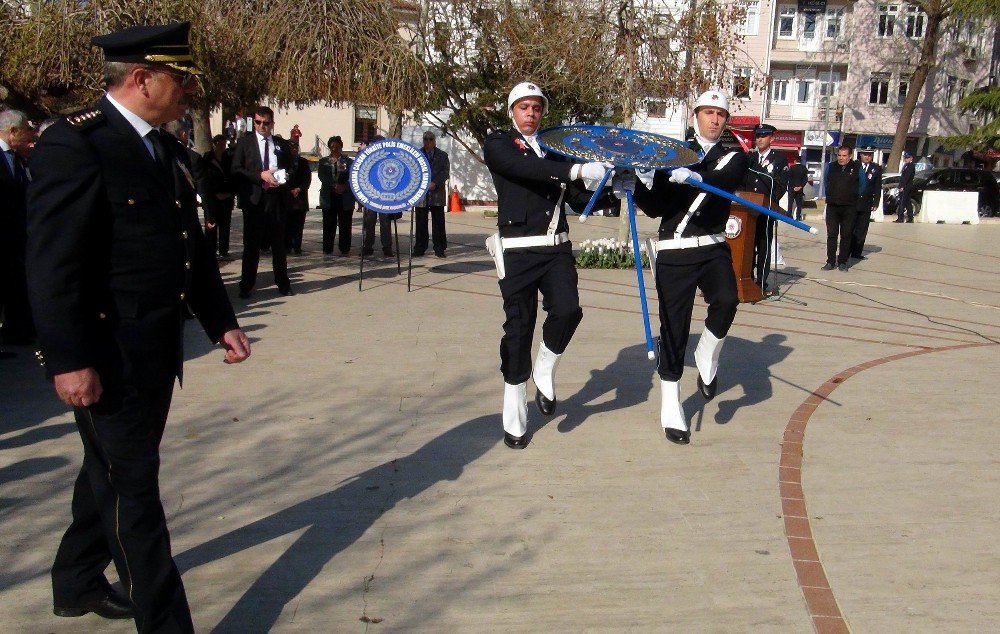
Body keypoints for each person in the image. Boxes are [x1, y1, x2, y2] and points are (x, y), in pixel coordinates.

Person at [24, 22, 251, 632]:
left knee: (112, 467)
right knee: (134, 493)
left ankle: (75, 582)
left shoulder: (164, 147)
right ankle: (166, 622)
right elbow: (52, 264)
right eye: (181, 80)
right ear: (142, 78)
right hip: (106, 352)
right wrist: (68, 359)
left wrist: (219, 320)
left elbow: (188, 248)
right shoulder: (76, 145)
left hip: (155, 349)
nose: (189, 93)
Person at [483, 81, 609, 449]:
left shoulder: (556, 152)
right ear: (512, 111)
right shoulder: (500, 144)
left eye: (537, 107)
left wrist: (613, 185)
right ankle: (514, 415)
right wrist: (575, 170)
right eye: (524, 107)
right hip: (519, 250)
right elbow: (524, 170)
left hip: (555, 247)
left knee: (568, 311)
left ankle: (545, 365)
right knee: (519, 329)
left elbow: (578, 196)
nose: (531, 113)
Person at [623, 89, 747, 445]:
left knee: (727, 301)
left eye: (720, 114)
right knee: (674, 328)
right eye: (708, 113)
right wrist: (637, 185)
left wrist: (696, 177)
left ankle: (707, 351)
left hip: (712, 247)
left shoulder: (732, 156)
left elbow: (727, 182)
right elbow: (658, 206)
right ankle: (671, 405)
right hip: (675, 251)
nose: (714, 119)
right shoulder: (672, 153)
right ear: (695, 116)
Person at [230, 105, 296, 297]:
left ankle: (283, 283)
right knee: (252, 245)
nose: (262, 127)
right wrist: (260, 176)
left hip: (276, 198)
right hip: (255, 199)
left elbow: (291, 167)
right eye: (258, 122)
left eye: (266, 123)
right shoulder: (245, 143)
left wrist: (282, 179)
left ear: (272, 124)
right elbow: (236, 169)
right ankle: (247, 285)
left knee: (279, 244)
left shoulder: (280, 144)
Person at [0, 108, 38, 347]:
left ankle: (16, 332)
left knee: (13, 284)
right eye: (26, 130)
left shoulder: (18, 159)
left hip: (15, 239)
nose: (31, 136)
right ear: (12, 131)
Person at [744, 123, 789, 295]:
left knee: (763, 245)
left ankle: (761, 281)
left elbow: (782, 184)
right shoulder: (750, 158)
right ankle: (746, 277)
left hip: (766, 210)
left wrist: (769, 201)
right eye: (757, 136)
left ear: (771, 138)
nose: (759, 139)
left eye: (763, 136)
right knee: (748, 245)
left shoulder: (779, 159)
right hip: (748, 209)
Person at [413, 130, 451, 257]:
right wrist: (423, 185)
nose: (427, 142)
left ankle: (439, 248)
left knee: (438, 222)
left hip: (437, 193)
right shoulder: (417, 154)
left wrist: (435, 183)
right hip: (422, 194)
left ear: (434, 141)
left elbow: (445, 172)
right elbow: (413, 172)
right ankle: (420, 247)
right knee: (421, 222)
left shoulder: (442, 155)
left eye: (430, 139)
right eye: (425, 139)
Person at [197, 134, 235, 258]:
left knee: (225, 225)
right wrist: (214, 194)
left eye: (224, 144)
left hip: (227, 197)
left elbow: (233, 177)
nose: (222, 147)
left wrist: (230, 193)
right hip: (213, 198)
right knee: (211, 225)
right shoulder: (207, 159)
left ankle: (224, 250)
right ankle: (210, 250)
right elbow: (205, 180)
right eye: (220, 144)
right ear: (214, 144)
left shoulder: (228, 158)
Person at [823, 145, 859, 271]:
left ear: (850, 156)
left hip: (849, 207)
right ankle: (830, 261)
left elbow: (863, 185)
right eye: (839, 155)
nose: (841, 158)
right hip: (833, 206)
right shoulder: (831, 167)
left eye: (844, 156)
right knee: (832, 234)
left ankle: (843, 261)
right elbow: (826, 181)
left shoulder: (856, 168)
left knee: (846, 234)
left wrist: (853, 196)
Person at [360, 135, 397, 257]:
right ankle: (367, 246)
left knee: (385, 222)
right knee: (369, 222)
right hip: (370, 194)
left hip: (385, 195)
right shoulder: (367, 157)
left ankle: (387, 247)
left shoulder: (389, 156)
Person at [317, 136, 354, 255]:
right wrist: (334, 185)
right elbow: (322, 176)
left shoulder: (348, 162)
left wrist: (344, 186)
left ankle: (344, 248)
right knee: (328, 223)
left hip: (345, 197)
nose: (334, 148)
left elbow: (352, 177)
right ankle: (327, 248)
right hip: (329, 196)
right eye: (332, 146)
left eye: (337, 146)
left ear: (341, 146)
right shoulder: (324, 161)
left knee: (345, 224)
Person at [851, 147, 882, 259]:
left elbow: (878, 186)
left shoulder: (876, 168)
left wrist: (876, 202)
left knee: (862, 228)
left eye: (869, 155)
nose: (867, 156)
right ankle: (848, 250)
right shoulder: (854, 166)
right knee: (850, 228)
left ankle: (857, 252)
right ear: (861, 155)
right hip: (853, 202)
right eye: (865, 154)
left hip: (866, 203)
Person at [285, 141, 312, 255]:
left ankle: (297, 247)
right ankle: (286, 246)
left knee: (298, 224)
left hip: (300, 198)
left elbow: (307, 179)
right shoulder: (282, 161)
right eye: (291, 147)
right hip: (286, 196)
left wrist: (299, 189)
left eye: (296, 147)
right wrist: (287, 189)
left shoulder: (303, 162)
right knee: (286, 224)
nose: (294, 149)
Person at [787, 155, 809, 221]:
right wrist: (800, 186)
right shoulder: (804, 168)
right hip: (800, 189)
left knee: (790, 203)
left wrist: (792, 187)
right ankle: (798, 216)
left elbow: (789, 178)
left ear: (795, 161)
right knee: (799, 204)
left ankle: (789, 215)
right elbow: (805, 179)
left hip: (792, 188)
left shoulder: (791, 168)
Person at [896, 151, 916, 223]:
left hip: (906, 186)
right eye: (905, 158)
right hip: (906, 186)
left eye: (907, 158)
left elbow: (906, 177)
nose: (906, 159)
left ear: (911, 158)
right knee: (907, 202)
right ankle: (910, 218)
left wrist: (902, 186)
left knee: (902, 202)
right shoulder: (906, 165)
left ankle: (900, 218)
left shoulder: (910, 166)